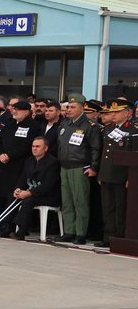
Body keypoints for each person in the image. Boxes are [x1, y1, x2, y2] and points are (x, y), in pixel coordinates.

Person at [55, 95, 101, 245]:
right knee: (67, 201)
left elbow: (95, 148)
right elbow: (59, 145)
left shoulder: (89, 125)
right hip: (65, 167)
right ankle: (69, 231)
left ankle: (81, 233)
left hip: (80, 167)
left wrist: (93, 167)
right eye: (68, 107)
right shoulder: (65, 124)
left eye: (73, 107)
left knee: (80, 201)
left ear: (82, 108)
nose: (69, 110)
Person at [5, 136, 62, 240]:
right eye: (33, 146)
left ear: (45, 148)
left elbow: (48, 185)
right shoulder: (29, 161)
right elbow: (22, 178)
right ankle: (8, 227)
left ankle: (21, 231)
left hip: (49, 195)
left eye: (38, 146)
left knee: (28, 200)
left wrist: (29, 193)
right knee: (13, 197)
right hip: (33, 192)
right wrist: (18, 189)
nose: (34, 148)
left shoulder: (52, 162)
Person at [96, 97, 134, 247]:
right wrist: (100, 173)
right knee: (107, 206)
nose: (113, 115)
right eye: (113, 112)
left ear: (127, 113)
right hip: (107, 172)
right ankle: (108, 236)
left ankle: (119, 235)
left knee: (120, 207)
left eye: (117, 112)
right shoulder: (108, 128)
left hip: (121, 174)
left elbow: (131, 154)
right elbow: (104, 152)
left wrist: (130, 177)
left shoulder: (132, 129)